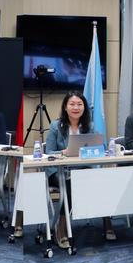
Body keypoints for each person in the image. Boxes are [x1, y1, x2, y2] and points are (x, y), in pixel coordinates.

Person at [44, 92, 101, 245]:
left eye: (79, 104)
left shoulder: (90, 126)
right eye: (72, 104)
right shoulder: (56, 126)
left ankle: (107, 224)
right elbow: (48, 152)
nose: (76, 107)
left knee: (103, 179)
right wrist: (63, 152)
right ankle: (61, 227)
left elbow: (96, 149)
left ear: (84, 108)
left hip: (82, 169)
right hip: (59, 172)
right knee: (69, 184)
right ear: (65, 107)